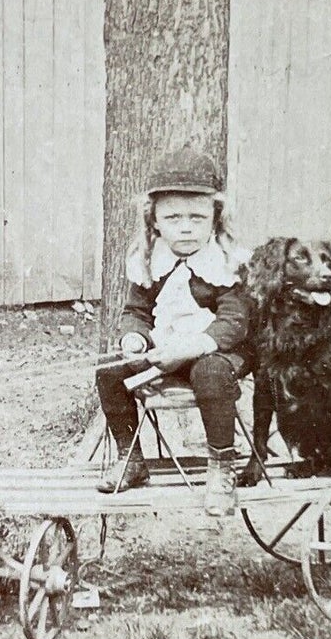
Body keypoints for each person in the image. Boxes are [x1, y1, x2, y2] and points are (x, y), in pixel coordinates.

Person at [96, 149, 254, 516]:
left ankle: (221, 468)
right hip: (163, 353)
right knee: (109, 369)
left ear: (215, 220)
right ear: (155, 222)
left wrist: (192, 347)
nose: (185, 227)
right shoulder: (150, 262)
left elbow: (233, 322)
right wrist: (134, 339)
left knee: (211, 371)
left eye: (197, 218)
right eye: (173, 217)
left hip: (219, 353)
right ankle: (131, 459)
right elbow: (135, 311)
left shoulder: (226, 264)